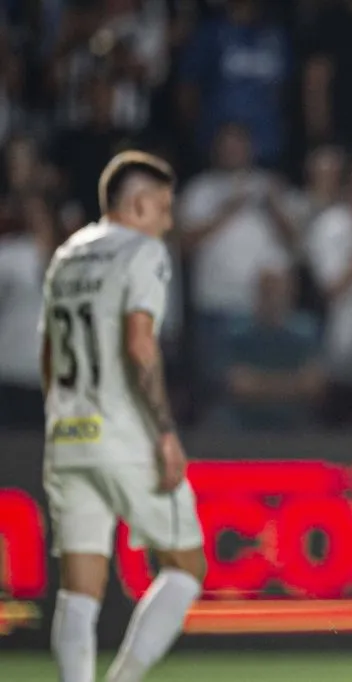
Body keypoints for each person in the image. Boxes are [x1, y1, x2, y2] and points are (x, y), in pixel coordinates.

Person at [40, 151, 206, 682]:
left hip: (67, 434)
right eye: (162, 207)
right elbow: (140, 343)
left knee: (78, 586)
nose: (168, 220)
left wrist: (62, 416)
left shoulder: (66, 254)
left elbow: (47, 354)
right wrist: (163, 432)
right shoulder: (144, 250)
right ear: (138, 203)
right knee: (186, 568)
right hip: (124, 434)